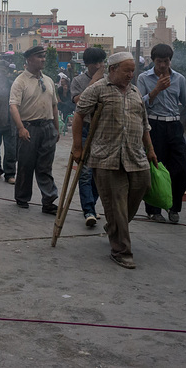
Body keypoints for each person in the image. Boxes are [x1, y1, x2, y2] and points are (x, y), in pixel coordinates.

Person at [72, 52, 158, 269]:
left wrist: (150, 149)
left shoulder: (135, 92)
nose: (131, 75)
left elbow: (144, 124)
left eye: (132, 71)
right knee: (117, 204)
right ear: (112, 69)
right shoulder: (98, 89)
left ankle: (114, 227)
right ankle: (121, 250)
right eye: (126, 70)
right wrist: (77, 147)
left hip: (135, 155)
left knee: (142, 185)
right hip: (106, 157)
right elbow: (79, 114)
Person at [137, 43, 186, 224]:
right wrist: (156, 90)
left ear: (170, 61)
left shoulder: (179, 79)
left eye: (166, 61)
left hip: (174, 125)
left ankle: (174, 207)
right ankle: (153, 209)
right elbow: (138, 104)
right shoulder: (144, 78)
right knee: (155, 168)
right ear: (153, 61)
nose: (162, 66)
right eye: (159, 62)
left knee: (181, 170)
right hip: (153, 125)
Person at [9, 46, 61, 214]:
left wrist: (56, 128)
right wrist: (21, 128)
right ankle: (22, 197)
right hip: (29, 128)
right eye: (39, 57)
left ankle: (49, 200)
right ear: (29, 59)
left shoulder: (49, 80)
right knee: (25, 165)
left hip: (47, 128)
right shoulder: (20, 81)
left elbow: (54, 106)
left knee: (45, 166)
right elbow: (13, 107)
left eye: (44, 56)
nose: (43, 59)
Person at [70, 47, 107, 227]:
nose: (100, 66)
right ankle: (88, 210)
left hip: (102, 130)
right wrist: (94, 81)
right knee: (84, 173)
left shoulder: (108, 81)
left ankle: (91, 202)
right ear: (88, 65)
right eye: (96, 63)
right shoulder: (78, 81)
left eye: (102, 62)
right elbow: (80, 101)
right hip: (84, 129)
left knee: (99, 173)